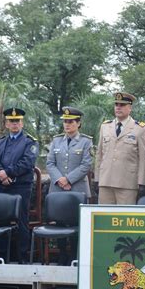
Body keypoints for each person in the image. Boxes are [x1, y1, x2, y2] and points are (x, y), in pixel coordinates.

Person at [46, 106, 92, 265]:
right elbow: (50, 163)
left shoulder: (86, 141)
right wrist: (60, 179)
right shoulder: (56, 140)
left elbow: (86, 165)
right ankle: (62, 256)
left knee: (76, 223)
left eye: (71, 122)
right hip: (58, 188)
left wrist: (69, 180)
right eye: (65, 122)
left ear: (78, 123)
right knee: (58, 222)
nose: (67, 125)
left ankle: (74, 256)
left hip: (77, 188)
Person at [0, 107, 38, 263]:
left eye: (17, 121)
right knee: (1, 222)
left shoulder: (29, 142)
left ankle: (23, 259)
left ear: (22, 123)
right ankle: (1, 258)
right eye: (11, 121)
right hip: (1, 186)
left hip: (20, 187)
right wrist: (0, 173)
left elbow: (27, 163)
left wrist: (8, 173)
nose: (14, 124)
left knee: (22, 222)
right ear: (6, 124)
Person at [94, 92, 145, 204]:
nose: (118, 107)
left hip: (127, 183)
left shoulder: (140, 129)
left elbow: (144, 158)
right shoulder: (105, 126)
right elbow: (99, 154)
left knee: (124, 218)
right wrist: (97, 178)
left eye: (122, 105)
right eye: (116, 104)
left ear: (130, 108)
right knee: (104, 218)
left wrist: (143, 183)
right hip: (106, 181)